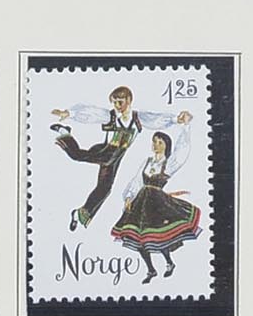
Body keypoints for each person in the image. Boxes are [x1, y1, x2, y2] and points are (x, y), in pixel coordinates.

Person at [50, 86, 187, 232]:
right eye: (114, 102)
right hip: (105, 151)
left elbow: (155, 119)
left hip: (115, 157)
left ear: (129, 100)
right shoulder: (111, 116)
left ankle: (79, 215)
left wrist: (175, 119)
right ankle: (65, 132)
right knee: (77, 155)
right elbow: (91, 113)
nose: (117, 106)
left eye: (120, 102)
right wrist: (69, 113)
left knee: (104, 188)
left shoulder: (138, 118)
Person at [110, 129, 202, 281]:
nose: (156, 145)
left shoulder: (168, 164)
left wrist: (186, 128)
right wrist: (129, 196)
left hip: (158, 204)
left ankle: (169, 263)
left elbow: (181, 153)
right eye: (154, 141)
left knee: (159, 237)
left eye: (160, 143)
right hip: (141, 203)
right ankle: (151, 270)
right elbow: (137, 180)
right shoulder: (147, 162)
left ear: (166, 146)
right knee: (139, 239)